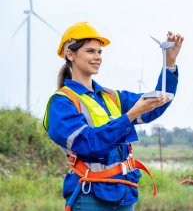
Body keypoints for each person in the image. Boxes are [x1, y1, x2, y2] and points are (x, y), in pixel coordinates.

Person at [43, 22, 184, 211]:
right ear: (70, 54)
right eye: (91, 51)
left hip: (124, 194)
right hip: (90, 197)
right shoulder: (61, 103)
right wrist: (131, 115)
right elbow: (88, 143)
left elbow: (156, 104)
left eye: (100, 52)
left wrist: (170, 63)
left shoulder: (112, 97)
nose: (97, 57)